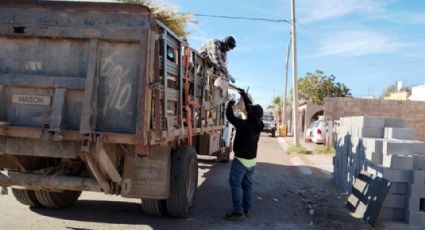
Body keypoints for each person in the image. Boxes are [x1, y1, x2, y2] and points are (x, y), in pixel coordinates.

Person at [225, 88, 264, 221]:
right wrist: (244, 94)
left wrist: (229, 104)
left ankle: (238, 212)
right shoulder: (259, 124)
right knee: (247, 185)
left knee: (235, 183)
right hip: (251, 162)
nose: (248, 109)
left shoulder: (244, 125)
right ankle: (246, 209)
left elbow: (230, 117)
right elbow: (249, 109)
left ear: (251, 114)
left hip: (241, 161)